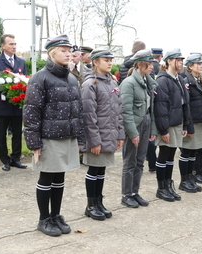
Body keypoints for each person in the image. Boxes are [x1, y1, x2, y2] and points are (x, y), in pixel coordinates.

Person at [23, 35, 84, 236]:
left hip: (67, 136)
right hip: (49, 137)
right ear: (52, 53)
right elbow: (32, 112)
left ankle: (55, 215)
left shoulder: (71, 78)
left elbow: (77, 110)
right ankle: (43, 219)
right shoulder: (40, 78)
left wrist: (79, 138)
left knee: (60, 176)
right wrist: (33, 142)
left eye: (69, 50)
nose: (69, 54)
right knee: (47, 177)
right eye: (63, 50)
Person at [81, 48, 125, 220]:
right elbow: (88, 116)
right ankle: (90, 205)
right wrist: (94, 141)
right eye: (106, 60)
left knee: (101, 170)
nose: (110, 63)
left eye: (110, 60)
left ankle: (99, 202)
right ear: (96, 62)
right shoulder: (90, 84)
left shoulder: (112, 83)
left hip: (109, 134)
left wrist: (119, 135)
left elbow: (118, 111)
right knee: (93, 170)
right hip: (97, 137)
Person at [153, 48, 192, 202]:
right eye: (178, 60)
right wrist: (163, 130)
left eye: (182, 60)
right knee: (163, 155)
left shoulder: (179, 79)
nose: (181, 62)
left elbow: (184, 104)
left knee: (170, 156)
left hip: (177, 122)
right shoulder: (162, 80)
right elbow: (160, 107)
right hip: (167, 124)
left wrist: (185, 125)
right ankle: (161, 188)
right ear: (169, 61)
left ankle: (168, 185)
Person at [120, 49, 157, 208]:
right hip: (134, 126)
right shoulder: (129, 83)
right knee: (130, 162)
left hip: (146, 122)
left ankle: (135, 192)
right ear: (140, 64)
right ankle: (126, 195)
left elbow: (151, 108)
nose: (152, 67)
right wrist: (132, 133)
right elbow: (125, 111)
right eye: (149, 64)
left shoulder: (147, 81)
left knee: (140, 161)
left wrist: (153, 129)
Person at [0, 34, 28, 171]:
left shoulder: (21, 61)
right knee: (1, 133)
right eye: (11, 44)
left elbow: (24, 78)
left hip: (17, 104)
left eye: (15, 44)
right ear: (3, 46)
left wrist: (20, 90)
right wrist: (8, 89)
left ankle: (16, 158)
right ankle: (5, 160)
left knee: (17, 132)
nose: (14, 46)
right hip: (2, 104)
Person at [179, 54, 202, 191]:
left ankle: (191, 178)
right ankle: (184, 181)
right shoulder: (186, 80)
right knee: (186, 152)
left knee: (194, 152)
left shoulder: (198, 81)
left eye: (201, 63)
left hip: (199, 121)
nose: (200, 66)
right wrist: (187, 125)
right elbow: (185, 105)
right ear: (190, 66)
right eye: (197, 64)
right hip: (191, 121)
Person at [145, 47, 163, 172]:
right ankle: (152, 163)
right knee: (151, 138)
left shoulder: (153, 68)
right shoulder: (159, 68)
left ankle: (152, 162)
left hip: (149, 104)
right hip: (153, 105)